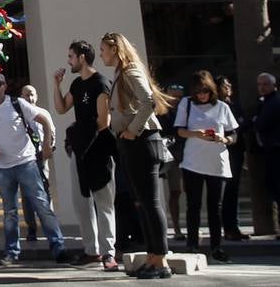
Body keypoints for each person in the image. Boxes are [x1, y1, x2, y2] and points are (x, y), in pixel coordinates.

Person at [99, 32, 173, 280]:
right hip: (131, 142)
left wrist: (132, 130)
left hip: (142, 141)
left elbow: (148, 101)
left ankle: (160, 260)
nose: (101, 55)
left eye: (103, 50)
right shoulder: (122, 73)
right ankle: (152, 256)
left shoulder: (130, 71)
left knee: (151, 203)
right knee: (142, 201)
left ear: (115, 49)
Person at [0, 71, 68, 266]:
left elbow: (43, 119)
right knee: (9, 212)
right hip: (2, 168)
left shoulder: (18, 103)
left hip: (26, 163)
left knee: (42, 205)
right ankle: (11, 252)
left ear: (4, 86)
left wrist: (46, 144)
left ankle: (58, 247)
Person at [52, 39, 118, 271]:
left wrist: (84, 138)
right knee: (82, 203)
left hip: (98, 150)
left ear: (82, 57)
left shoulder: (101, 83)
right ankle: (92, 251)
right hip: (79, 152)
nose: (68, 60)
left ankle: (109, 252)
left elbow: (104, 121)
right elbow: (61, 108)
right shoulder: (77, 84)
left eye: (71, 56)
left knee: (104, 202)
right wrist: (56, 84)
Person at [175, 69, 236, 262]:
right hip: (193, 162)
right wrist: (196, 134)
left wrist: (224, 139)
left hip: (217, 163)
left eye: (205, 91)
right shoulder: (186, 104)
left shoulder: (222, 107)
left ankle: (216, 247)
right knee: (193, 205)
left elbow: (234, 134)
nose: (201, 95)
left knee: (215, 207)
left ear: (211, 89)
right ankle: (192, 244)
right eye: (198, 91)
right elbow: (179, 131)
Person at [214, 76, 248, 241]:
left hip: (237, 151)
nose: (228, 87)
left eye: (229, 85)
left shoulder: (233, 105)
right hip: (226, 153)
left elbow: (242, 124)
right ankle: (228, 228)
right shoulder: (219, 106)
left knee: (233, 192)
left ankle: (233, 226)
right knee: (227, 192)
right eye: (225, 85)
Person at [18, 84, 54, 241]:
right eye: (26, 95)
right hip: (25, 159)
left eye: (32, 94)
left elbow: (51, 132)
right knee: (27, 196)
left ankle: (50, 227)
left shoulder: (43, 113)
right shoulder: (18, 115)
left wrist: (50, 148)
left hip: (41, 158)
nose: (29, 98)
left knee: (45, 193)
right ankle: (31, 228)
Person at [157, 83, 186, 239]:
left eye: (179, 97)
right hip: (172, 155)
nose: (175, 100)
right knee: (175, 192)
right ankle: (177, 229)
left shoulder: (188, 110)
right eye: (172, 96)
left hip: (189, 154)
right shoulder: (161, 112)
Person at [251, 72, 280, 224]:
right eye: (259, 84)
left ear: (274, 85)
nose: (262, 87)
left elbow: (260, 123)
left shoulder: (274, 102)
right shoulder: (264, 102)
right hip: (269, 150)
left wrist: (255, 120)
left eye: (265, 84)